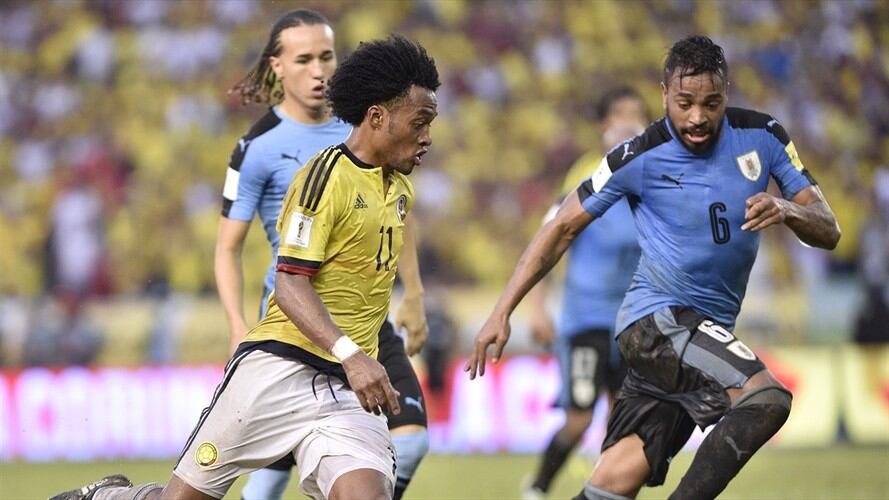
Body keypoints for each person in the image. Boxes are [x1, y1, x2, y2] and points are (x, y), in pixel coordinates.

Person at [51, 34, 440, 500]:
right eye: (420, 122)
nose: (427, 136)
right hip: (279, 367)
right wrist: (351, 354)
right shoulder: (324, 179)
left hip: (346, 391)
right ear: (378, 116)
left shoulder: (399, 190)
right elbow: (290, 283)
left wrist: (400, 311)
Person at [467, 35, 840, 500]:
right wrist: (504, 309)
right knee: (766, 399)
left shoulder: (764, 137)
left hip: (698, 332)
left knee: (616, 478)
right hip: (658, 321)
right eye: (684, 103)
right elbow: (560, 228)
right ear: (664, 94)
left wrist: (789, 210)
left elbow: (829, 228)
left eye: (712, 102)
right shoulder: (636, 156)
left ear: (727, 91)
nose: (698, 117)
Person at [215, 10, 430, 500]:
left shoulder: (366, 126)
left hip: (369, 324)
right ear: (277, 68)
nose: (319, 70)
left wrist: (413, 295)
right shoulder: (256, 147)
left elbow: (398, 213)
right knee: (266, 482)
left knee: (412, 443)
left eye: (327, 57)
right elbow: (227, 249)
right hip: (297, 321)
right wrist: (235, 327)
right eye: (304, 59)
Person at [522, 87, 648, 500]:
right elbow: (549, 239)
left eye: (638, 115)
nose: (630, 124)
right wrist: (538, 308)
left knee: (625, 420)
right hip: (586, 318)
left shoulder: (654, 179)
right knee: (579, 418)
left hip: (631, 320)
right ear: (604, 126)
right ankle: (537, 487)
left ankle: (606, 491)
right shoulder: (588, 176)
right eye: (621, 115)